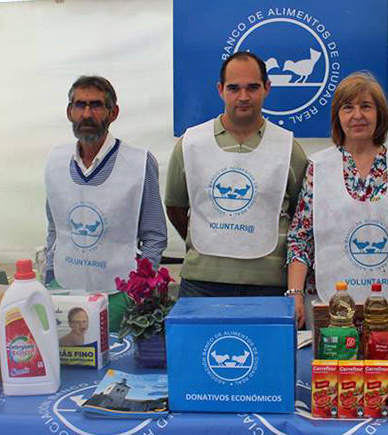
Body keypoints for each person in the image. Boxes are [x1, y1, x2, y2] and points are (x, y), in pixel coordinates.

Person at [286, 72, 388, 328]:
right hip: (328, 303)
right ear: (338, 116)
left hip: (387, 306)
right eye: (348, 107)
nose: (357, 115)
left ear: (379, 114)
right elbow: (300, 238)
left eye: (366, 106)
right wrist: (294, 295)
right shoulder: (320, 167)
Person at [165, 52, 308, 298]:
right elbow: (175, 206)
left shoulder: (289, 149)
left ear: (267, 88)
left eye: (252, 87)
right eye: (234, 88)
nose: (243, 97)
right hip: (202, 283)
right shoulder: (190, 144)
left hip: (269, 285)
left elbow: (300, 215)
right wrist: (208, 238)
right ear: (220, 90)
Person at [44, 75, 167, 295]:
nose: (87, 114)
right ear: (69, 111)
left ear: (113, 113)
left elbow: (154, 236)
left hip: (120, 291)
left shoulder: (139, 163)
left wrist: (139, 289)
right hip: (65, 285)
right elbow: (56, 229)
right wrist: (50, 274)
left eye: (97, 106)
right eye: (80, 105)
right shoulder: (56, 161)